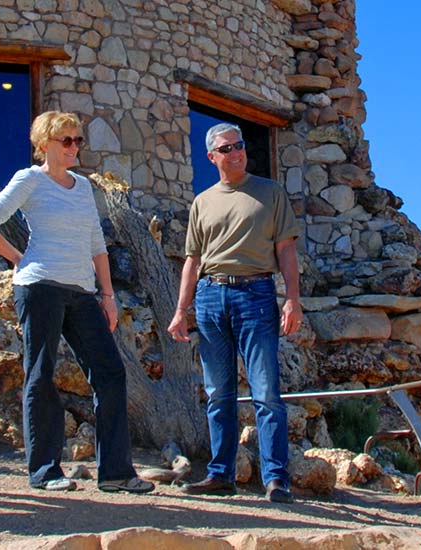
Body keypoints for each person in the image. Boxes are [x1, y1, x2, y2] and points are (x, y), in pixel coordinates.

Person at [0, 111, 154, 494]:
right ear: (44, 145)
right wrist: (19, 259)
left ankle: (116, 473)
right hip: (40, 287)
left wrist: (107, 295)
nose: (75, 147)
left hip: (82, 292)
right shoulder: (30, 180)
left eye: (78, 140)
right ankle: (45, 471)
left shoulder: (85, 187)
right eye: (66, 140)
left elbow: (96, 244)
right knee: (41, 374)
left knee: (110, 372)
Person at [166, 123, 304, 503]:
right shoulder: (202, 202)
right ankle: (220, 475)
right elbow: (192, 260)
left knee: (266, 391)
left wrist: (292, 298)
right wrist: (181, 309)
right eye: (227, 148)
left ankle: (276, 479)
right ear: (212, 157)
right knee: (218, 393)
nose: (237, 152)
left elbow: (287, 249)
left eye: (240, 145)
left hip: (256, 294)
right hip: (211, 297)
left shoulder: (270, 193)